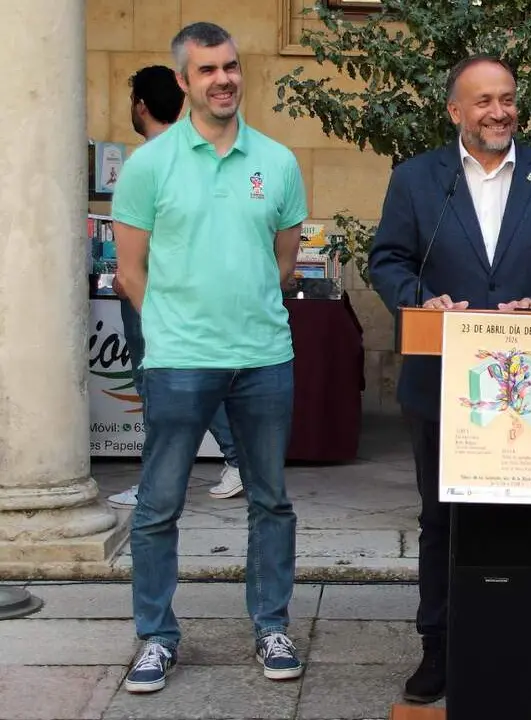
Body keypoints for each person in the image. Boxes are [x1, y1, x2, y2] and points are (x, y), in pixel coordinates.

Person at [366, 54, 531, 706]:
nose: (500, 111)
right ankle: (438, 648)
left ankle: (515, 650)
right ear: (455, 111)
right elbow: (388, 259)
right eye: (484, 101)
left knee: (521, 522)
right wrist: (420, 298)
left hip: (529, 391)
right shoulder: (417, 181)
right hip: (443, 382)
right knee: (441, 521)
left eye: (507, 98)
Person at [112, 22, 308, 693]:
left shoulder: (277, 162)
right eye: (207, 71)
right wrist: (170, 334)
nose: (223, 79)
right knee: (159, 506)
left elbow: (283, 264)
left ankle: (272, 626)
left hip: (262, 357)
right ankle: (156, 638)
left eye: (230, 66)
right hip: (178, 361)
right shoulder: (148, 166)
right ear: (183, 82)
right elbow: (130, 271)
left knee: (271, 502)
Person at [107, 64, 244, 510]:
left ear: (140, 106)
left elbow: (139, 245)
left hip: (154, 292)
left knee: (158, 385)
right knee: (202, 378)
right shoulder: (199, 154)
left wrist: (131, 282)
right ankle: (234, 459)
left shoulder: (148, 162)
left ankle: (158, 481)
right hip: (194, 292)